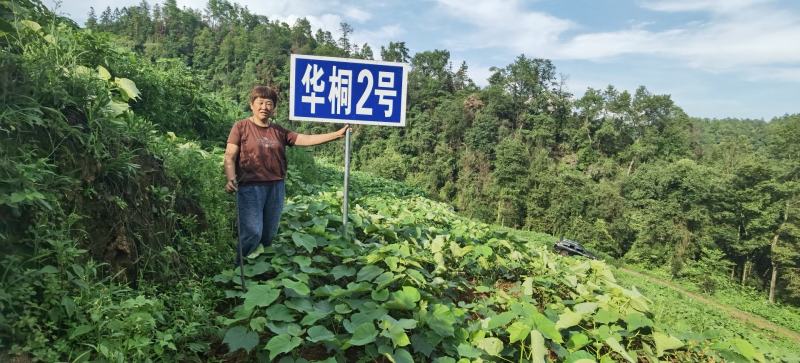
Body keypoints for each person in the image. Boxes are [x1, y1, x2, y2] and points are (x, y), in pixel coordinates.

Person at [224, 85, 348, 264]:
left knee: (268, 233)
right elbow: (229, 155)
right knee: (253, 231)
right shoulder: (241, 127)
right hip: (250, 187)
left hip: (275, 187)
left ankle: (260, 268)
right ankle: (240, 268)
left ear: (273, 107)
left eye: (269, 103)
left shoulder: (278, 131)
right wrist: (230, 178)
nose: (264, 107)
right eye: (260, 103)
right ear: (252, 105)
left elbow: (305, 139)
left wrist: (336, 135)